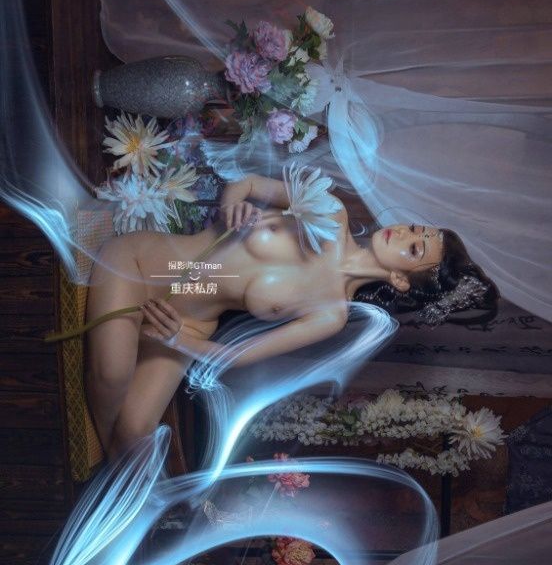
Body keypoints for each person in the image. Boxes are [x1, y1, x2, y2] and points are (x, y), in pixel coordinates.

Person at [85, 170, 498, 461]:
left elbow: (239, 356)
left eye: (413, 248)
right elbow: (247, 184)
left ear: (401, 280)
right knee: (114, 374)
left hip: (188, 323)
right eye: (414, 228)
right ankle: (98, 460)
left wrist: (178, 338)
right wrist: (232, 206)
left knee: (136, 439)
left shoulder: (331, 315)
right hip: (143, 267)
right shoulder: (330, 212)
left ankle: (105, 478)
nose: (403, 233)